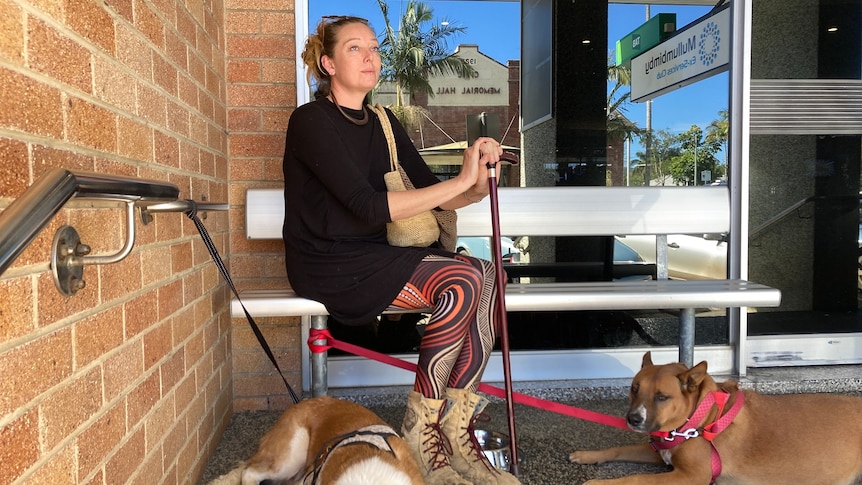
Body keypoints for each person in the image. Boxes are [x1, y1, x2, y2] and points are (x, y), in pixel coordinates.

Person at [282, 15, 520, 485]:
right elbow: (366, 206)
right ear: (327, 63)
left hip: (378, 255)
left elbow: (439, 195)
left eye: (373, 47)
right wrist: (458, 181)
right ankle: (421, 435)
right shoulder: (310, 121)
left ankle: (455, 434)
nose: (370, 56)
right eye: (355, 48)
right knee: (464, 277)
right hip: (327, 260)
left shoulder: (385, 122)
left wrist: (474, 175)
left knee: (492, 275)